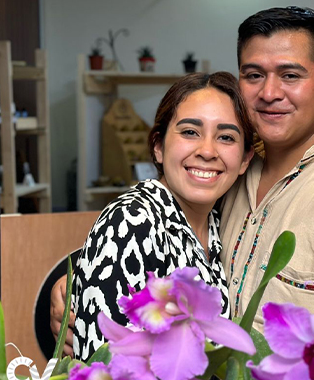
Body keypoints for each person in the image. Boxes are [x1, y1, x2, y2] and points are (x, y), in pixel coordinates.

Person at [52, 6, 314, 360]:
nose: (270, 92)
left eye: (290, 75)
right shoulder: (232, 172)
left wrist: (245, 366)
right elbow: (152, 237)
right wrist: (77, 281)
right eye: (254, 75)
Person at [69, 72, 254, 360]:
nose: (207, 150)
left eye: (226, 137)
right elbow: (105, 364)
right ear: (158, 146)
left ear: (244, 160)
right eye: (190, 131)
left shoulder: (216, 225)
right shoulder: (131, 222)